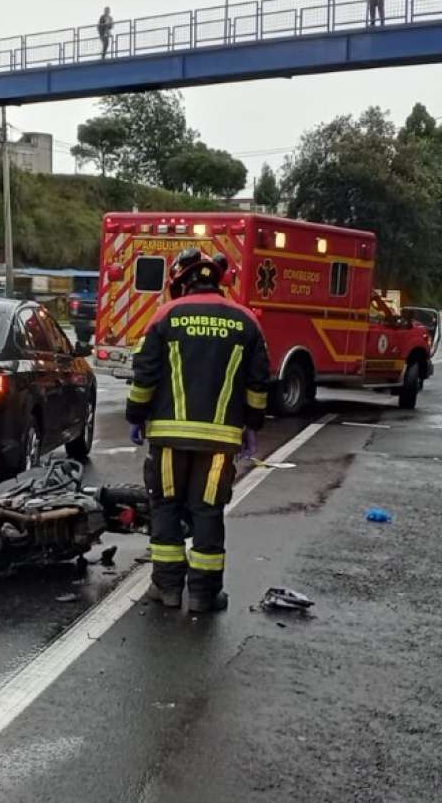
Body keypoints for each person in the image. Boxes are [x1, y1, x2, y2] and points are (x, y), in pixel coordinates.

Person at [126, 248, 271, 613]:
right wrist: (252, 427)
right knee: (208, 511)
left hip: (169, 439)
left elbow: (145, 374)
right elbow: (258, 384)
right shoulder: (246, 321)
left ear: (180, 281)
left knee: (166, 508)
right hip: (220, 442)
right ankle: (204, 595)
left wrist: (135, 416)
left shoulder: (165, 316)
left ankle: (168, 589)